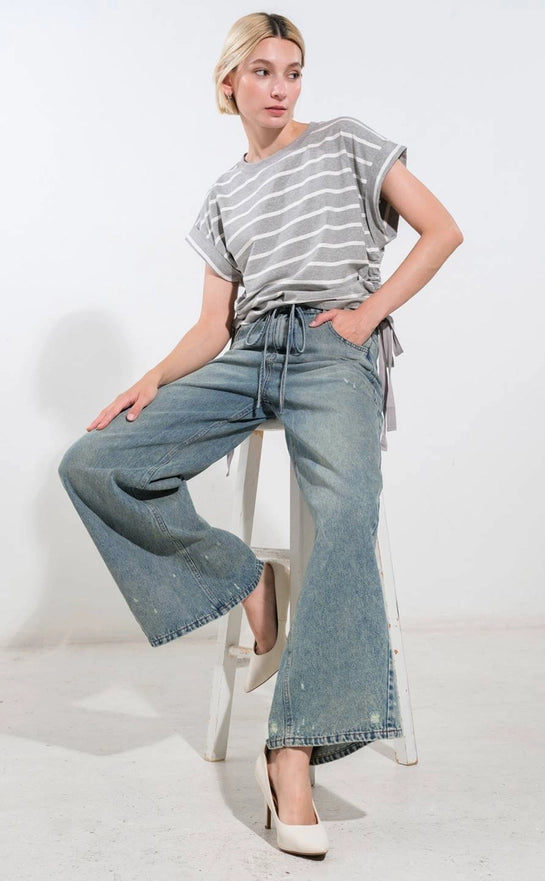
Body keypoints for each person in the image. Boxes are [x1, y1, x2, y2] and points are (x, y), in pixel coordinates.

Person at [59, 11, 463, 859]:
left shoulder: (347, 141)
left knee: (347, 516)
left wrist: (364, 317)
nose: (281, 86)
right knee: (95, 461)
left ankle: (291, 753)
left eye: (293, 71)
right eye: (264, 72)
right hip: (247, 353)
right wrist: (155, 378)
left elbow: (441, 231)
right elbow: (214, 323)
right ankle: (249, 581)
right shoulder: (224, 192)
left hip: (330, 350)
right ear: (229, 84)